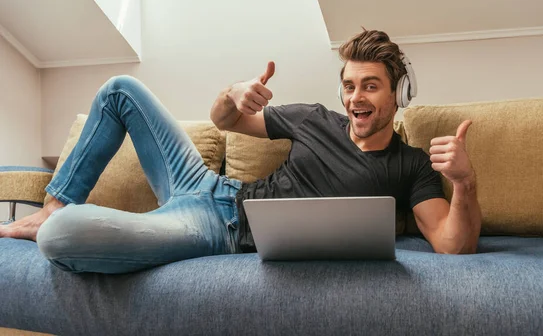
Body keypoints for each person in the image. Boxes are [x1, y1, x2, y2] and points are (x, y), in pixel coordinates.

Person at [0, 29, 481, 274]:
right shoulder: (314, 117)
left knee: (61, 238)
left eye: (371, 86)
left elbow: (450, 244)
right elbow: (224, 122)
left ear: (399, 94)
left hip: (217, 228)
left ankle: (58, 220)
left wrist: (463, 181)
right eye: (350, 86)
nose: (356, 98)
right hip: (207, 186)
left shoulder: (412, 165)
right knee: (120, 89)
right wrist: (232, 96)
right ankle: (55, 204)